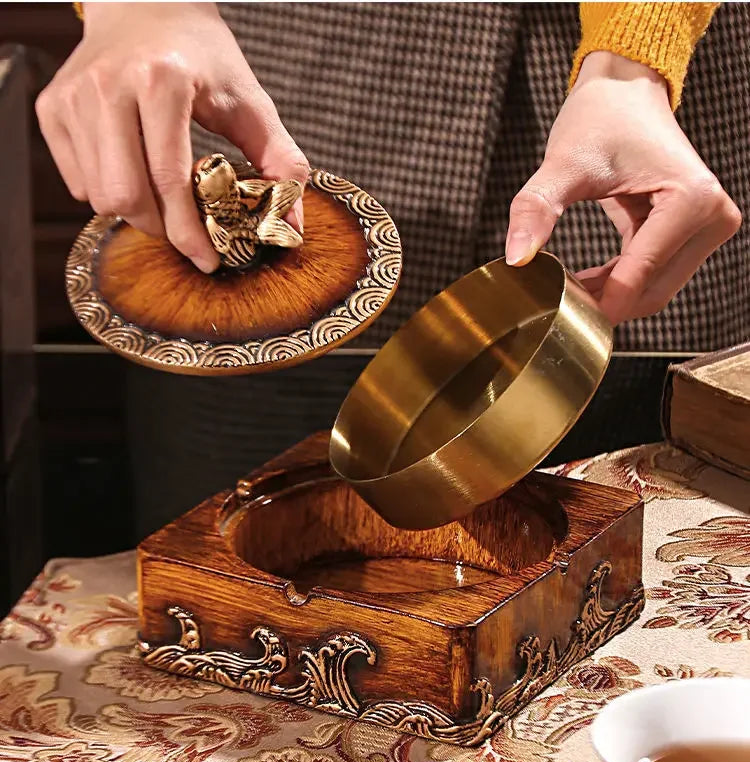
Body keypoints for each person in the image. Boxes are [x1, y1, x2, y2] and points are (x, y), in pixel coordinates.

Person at [36, 3, 749, 534]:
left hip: (635, 144)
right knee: (233, 565)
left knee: (632, 566)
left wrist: (632, 60)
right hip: (288, 124)